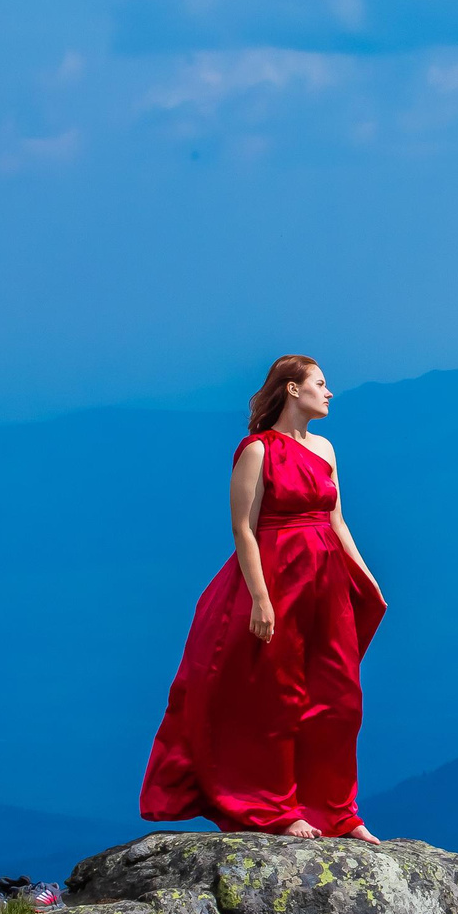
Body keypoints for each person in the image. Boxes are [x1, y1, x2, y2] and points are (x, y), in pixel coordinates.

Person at [140, 355, 388, 839]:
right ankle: (278, 809)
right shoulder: (256, 450)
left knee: (339, 698)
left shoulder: (325, 449)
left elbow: (337, 522)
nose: (329, 392)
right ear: (293, 389)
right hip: (278, 580)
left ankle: (338, 812)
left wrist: (365, 576)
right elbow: (243, 529)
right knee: (278, 699)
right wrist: (260, 598)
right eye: (320, 383)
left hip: (326, 581)